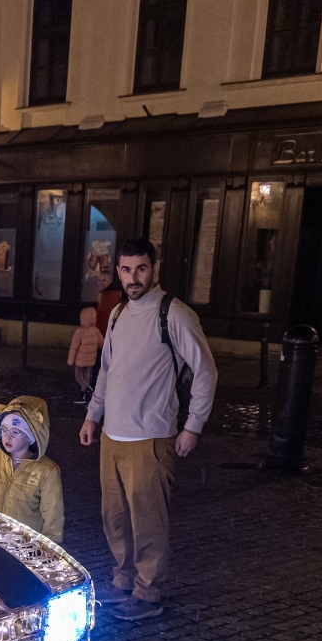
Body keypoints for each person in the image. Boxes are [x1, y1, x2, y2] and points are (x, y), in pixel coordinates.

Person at [79, 237, 217, 621]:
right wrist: (93, 416)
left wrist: (192, 426)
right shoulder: (119, 314)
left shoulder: (173, 314)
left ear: (154, 269)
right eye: (125, 269)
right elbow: (106, 372)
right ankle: (123, 581)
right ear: (118, 271)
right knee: (116, 516)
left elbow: (206, 373)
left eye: (141, 268)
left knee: (148, 520)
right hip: (113, 436)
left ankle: (148, 592)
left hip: (151, 438)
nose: (132, 277)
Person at [0, 395, 64, 542]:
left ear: (31, 437)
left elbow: (53, 513)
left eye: (15, 432)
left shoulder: (47, 471)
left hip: (22, 543)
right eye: (4, 430)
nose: (7, 437)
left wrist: (49, 545)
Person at [67, 307, 102, 404]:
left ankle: (89, 389)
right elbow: (101, 344)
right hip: (91, 360)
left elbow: (74, 347)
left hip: (80, 360)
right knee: (87, 376)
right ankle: (83, 395)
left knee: (78, 376)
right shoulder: (96, 331)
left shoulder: (80, 331)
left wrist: (71, 360)